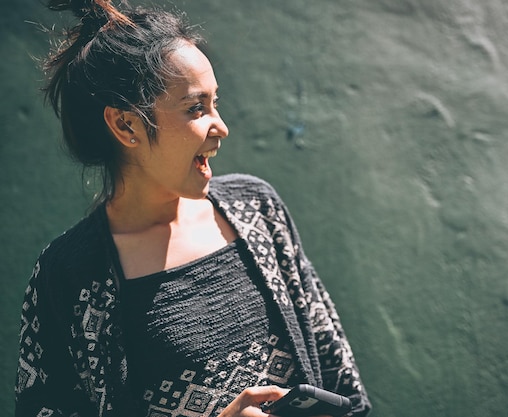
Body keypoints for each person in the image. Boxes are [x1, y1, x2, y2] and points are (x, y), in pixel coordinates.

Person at [14, 0, 371, 416]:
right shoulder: (68, 276)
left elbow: (342, 383)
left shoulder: (258, 210)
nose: (220, 127)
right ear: (126, 125)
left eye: (214, 103)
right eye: (195, 108)